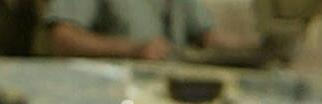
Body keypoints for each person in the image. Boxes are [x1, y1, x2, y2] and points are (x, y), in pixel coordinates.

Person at [43, 0, 253, 60]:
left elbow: (208, 36)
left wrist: (259, 48)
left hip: (168, 96)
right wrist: (132, 50)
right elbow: (62, 39)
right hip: (116, 97)